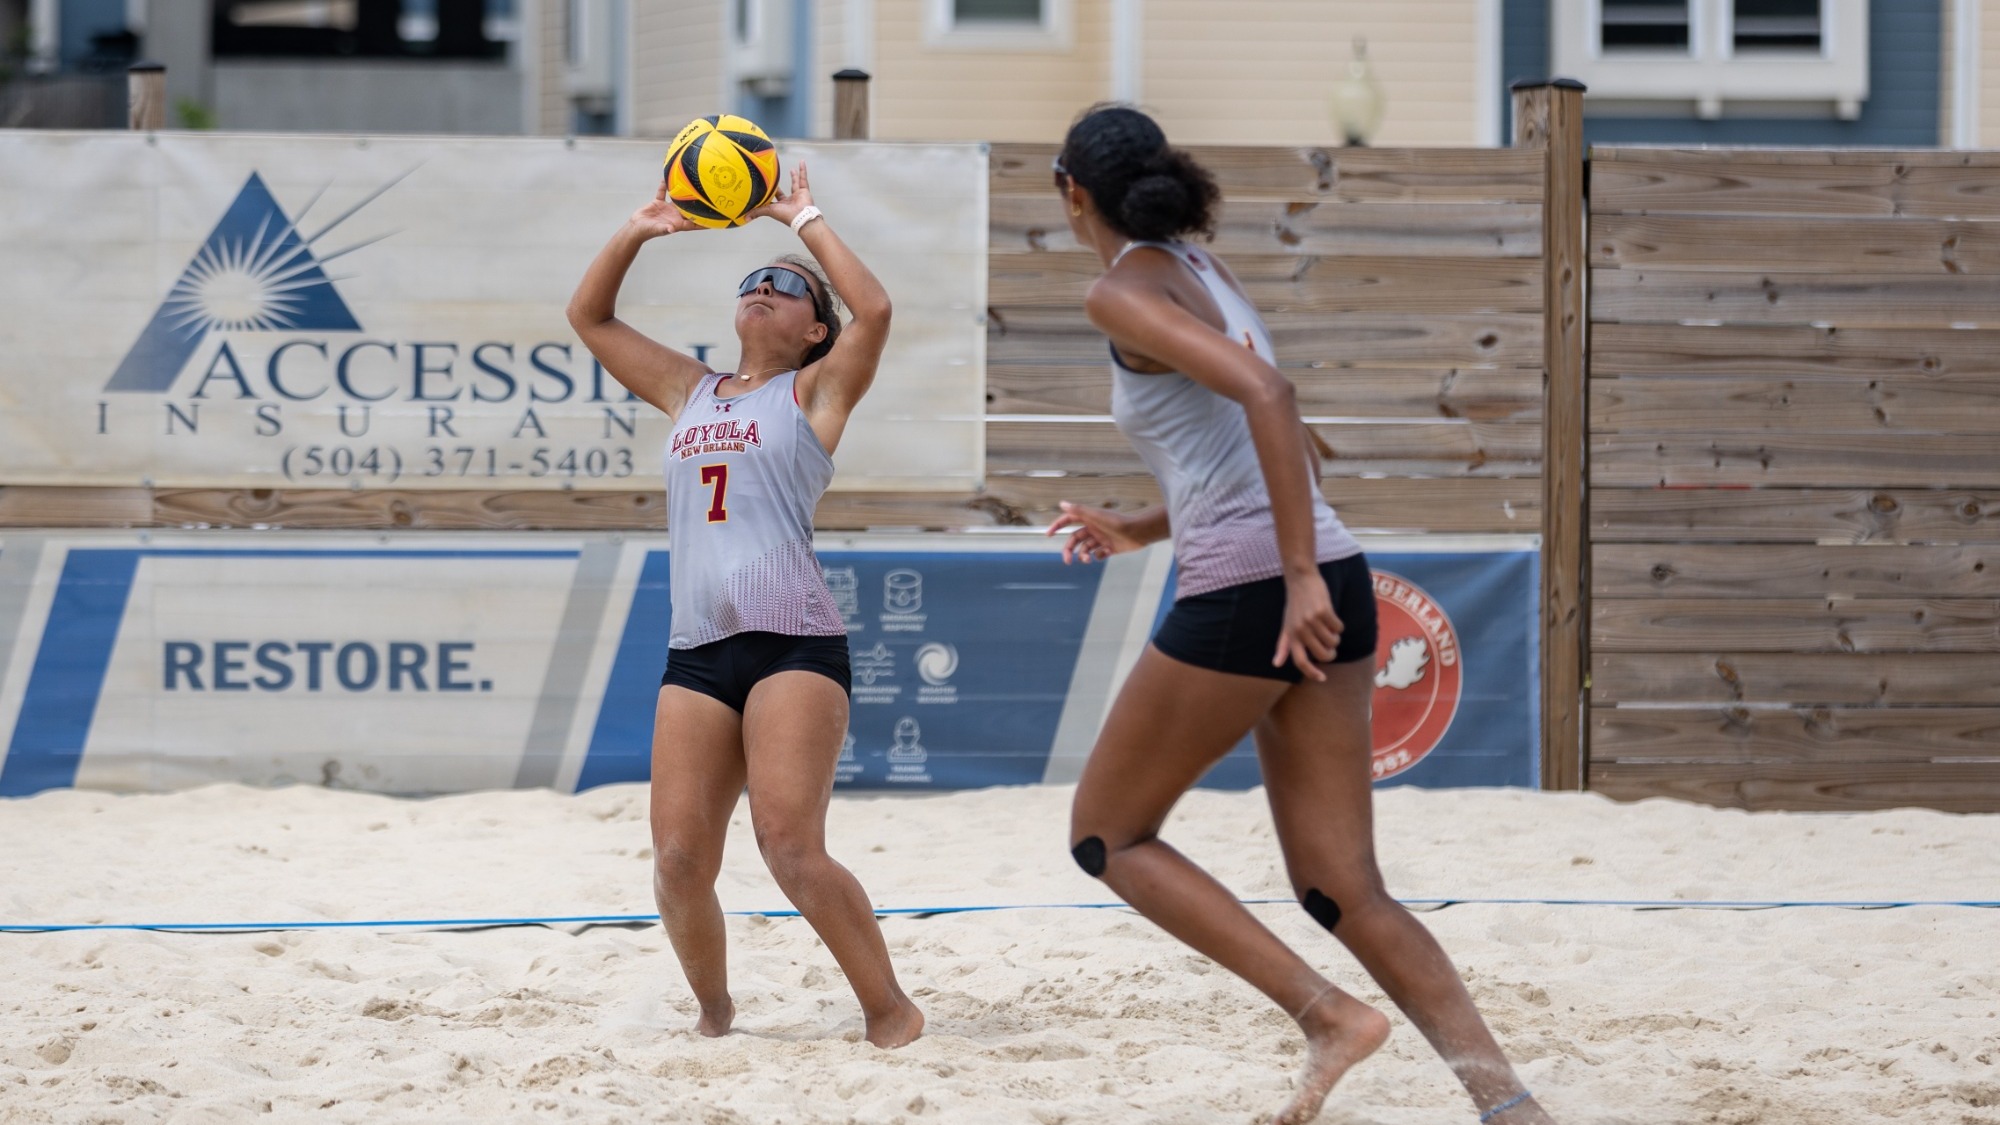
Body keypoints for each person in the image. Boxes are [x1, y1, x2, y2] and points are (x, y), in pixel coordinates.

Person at [1045, 105, 1553, 1124]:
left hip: (1261, 592)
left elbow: (1271, 402)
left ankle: (1328, 1017)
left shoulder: (1120, 291)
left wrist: (1292, 575)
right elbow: (1285, 442)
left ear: (1073, 194)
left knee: (1108, 837)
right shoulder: (1205, 269)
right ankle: (1507, 1102)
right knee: (1341, 887)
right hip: (1330, 572)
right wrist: (1144, 527)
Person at [566, 162, 923, 1049]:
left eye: (787, 287)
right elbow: (590, 318)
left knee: (789, 846)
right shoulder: (688, 389)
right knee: (679, 858)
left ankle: (891, 1009)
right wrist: (638, 228)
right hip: (699, 647)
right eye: (753, 279)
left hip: (793, 641)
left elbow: (876, 311)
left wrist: (802, 219)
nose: (764, 287)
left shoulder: (814, 392)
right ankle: (715, 1013)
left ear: (814, 331)